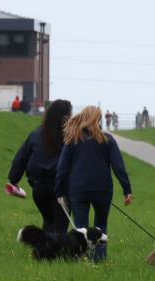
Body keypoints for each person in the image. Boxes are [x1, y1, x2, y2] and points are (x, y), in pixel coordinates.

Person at [55, 106, 133, 249]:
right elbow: (119, 167)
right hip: (103, 190)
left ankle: (81, 258)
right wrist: (126, 189)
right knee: (101, 225)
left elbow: (62, 168)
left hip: (78, 190)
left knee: (80, 229)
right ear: (98, 120)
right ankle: (99, 258)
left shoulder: (72, 140)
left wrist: (59, 192)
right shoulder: (108, 139)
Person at [8, 100, 73, 234]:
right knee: (60, 227)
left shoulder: (36, 134)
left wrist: (13, 180)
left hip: (39, 187)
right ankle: (57, 247)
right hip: (61, 188)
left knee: (48, 221)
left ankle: (45, 246)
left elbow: (21, 158)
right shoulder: (70, 136)